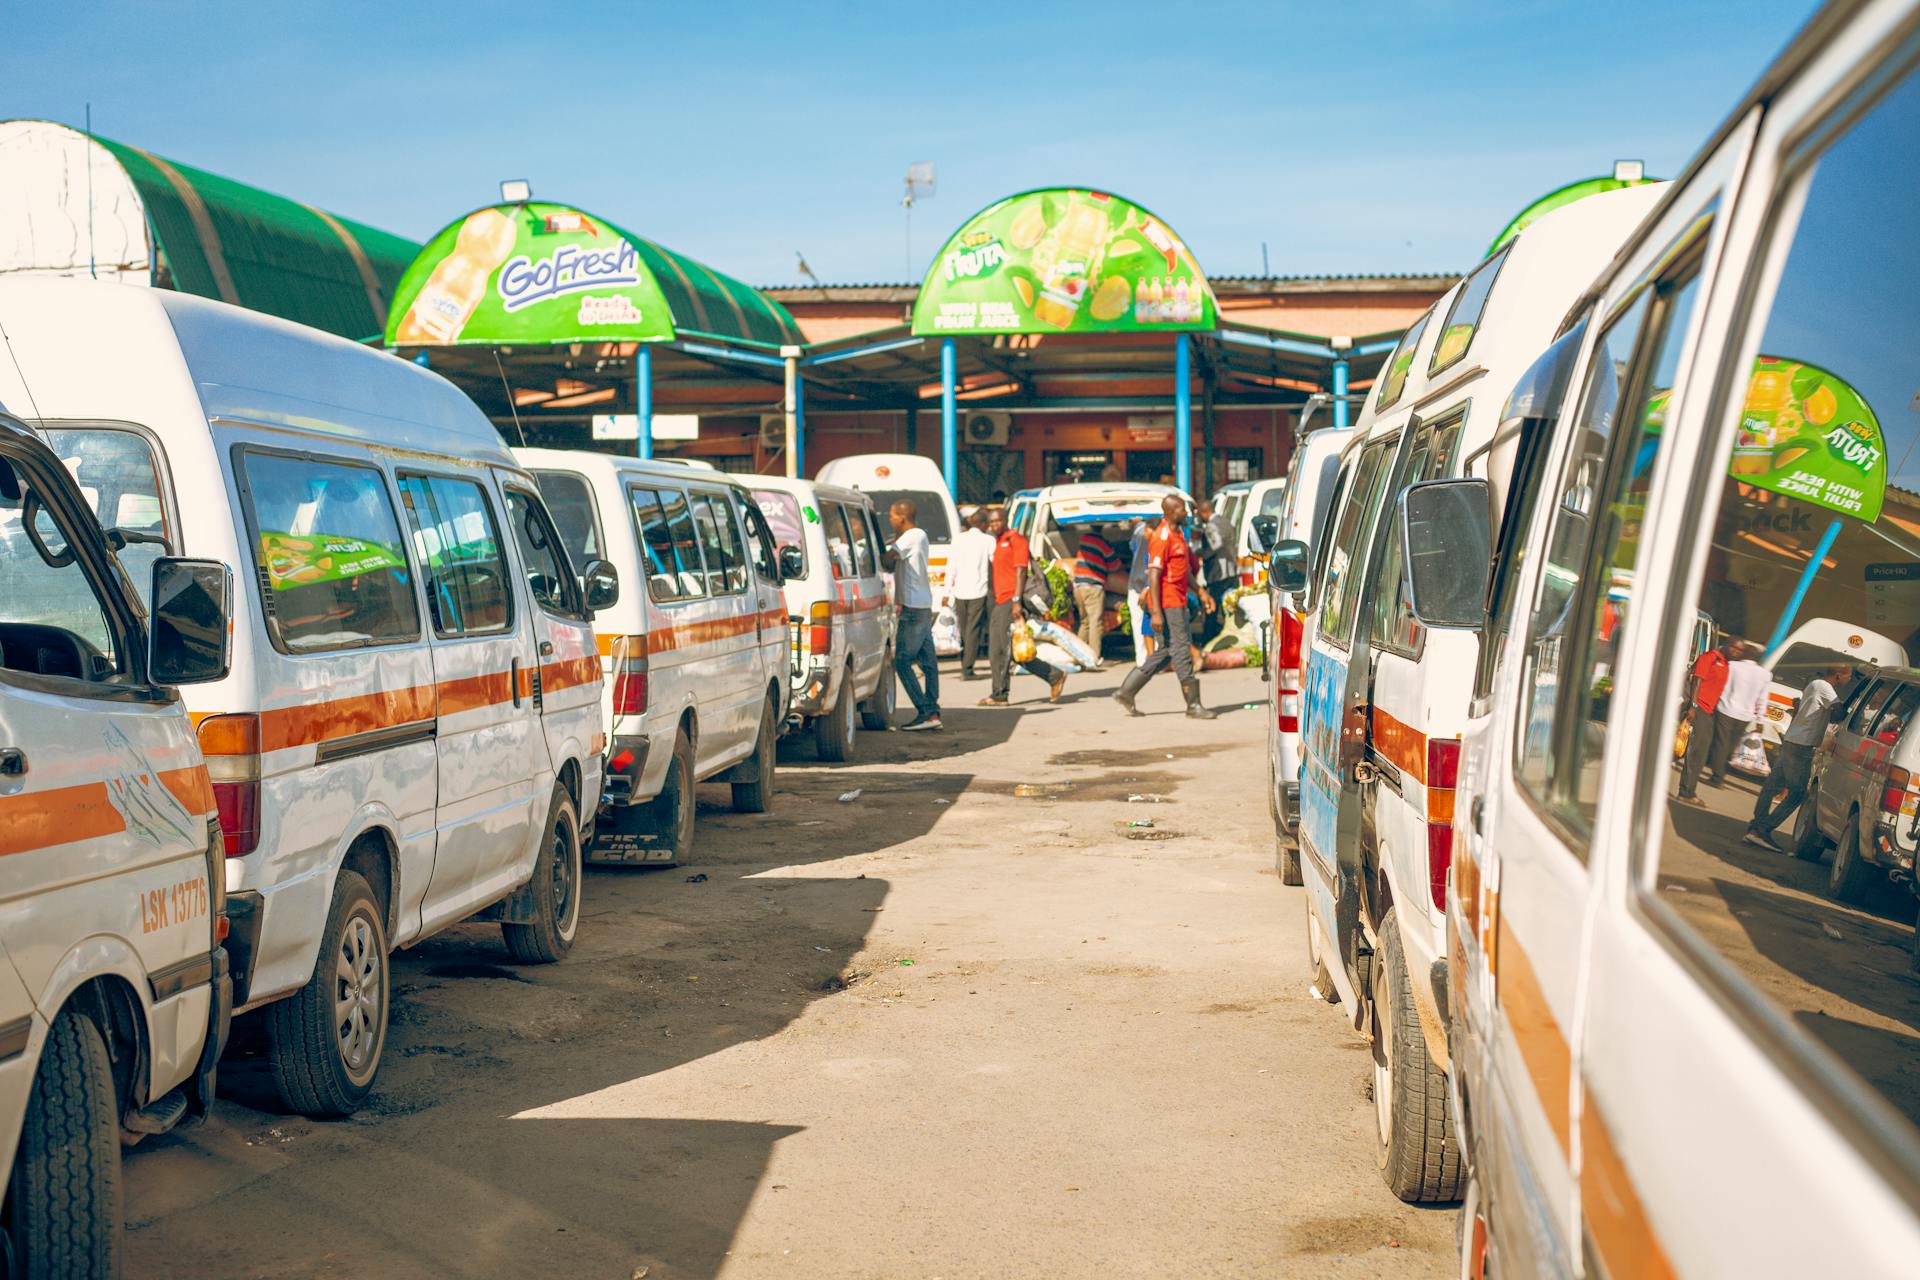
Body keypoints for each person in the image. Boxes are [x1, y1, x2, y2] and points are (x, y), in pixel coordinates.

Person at [1113, 494, 1216, 719]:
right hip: (1168, 604)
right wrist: (1157, 612)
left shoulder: (1178, 534)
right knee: (1181, 648)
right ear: (1169, 512)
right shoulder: (1161, 537)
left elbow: (1184, 570)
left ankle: (1126, 691)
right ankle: (1193, 705)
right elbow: (1153, 575)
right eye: (1180, 509)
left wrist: (1200, 591)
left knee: (1166, 651)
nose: (1185, 513)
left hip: (1178, 600)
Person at [1746, 663, 1850, 848]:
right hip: (1802, 745)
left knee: (1772, 786)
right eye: (1848, 676)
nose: (1848, 680)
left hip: (1792, 740)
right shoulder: (1825, 687)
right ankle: (1764, 829)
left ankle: (1756, 826)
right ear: (1839, 675)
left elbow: (1830, 716)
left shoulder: (1815, 684)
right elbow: (1839, 713)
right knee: (1798, 793)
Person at [980, 507, 1068, 707]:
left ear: (1006, 520)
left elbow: (1020, 571)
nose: (994, 525)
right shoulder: (998, 541)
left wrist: (1017, 601)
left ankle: (999, 695)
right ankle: (1054, 676)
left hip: (1011, 600)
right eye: (991, 522)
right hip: (1001, 600)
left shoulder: (1016, 540)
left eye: (997, 521)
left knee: (999, 649)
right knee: (1017, 651)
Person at [1678, 638, 1766, 803]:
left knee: (1700, 753)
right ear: (1726, 645)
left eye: (1740, 651)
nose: (1736, 652)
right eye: (1734, 647)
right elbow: (1697, 680)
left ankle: (1688, 790)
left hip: (1710, 711)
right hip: (1699, 709)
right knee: (1696, 753)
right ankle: (1686, 792)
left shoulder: (1727, 665)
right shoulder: (1710, 657)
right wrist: (1693, 706)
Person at [883, 500, 941, 731]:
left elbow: (887, 561)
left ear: (902, 518)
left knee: (903, 661)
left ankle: (925, 711)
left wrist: (884, 548)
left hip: (913, 607)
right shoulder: (919, 536)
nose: (890, 520)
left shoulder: (910, 536)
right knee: (929, 662)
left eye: (891, 516)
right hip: (922, 604)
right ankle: (932, 710)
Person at [949, 508, 994, 679]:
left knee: (964, 628)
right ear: (983, 524)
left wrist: (947, 589)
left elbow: (951, 566)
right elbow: (994, 562)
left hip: (960, 590)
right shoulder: (988, 540)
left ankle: (965, 661)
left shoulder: (958, 539)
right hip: (978, 590)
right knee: (973, 630)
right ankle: (967, 668)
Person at [1071, 523, 1123, 664]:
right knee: (1095, 622)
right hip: (1093, 587)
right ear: (1102, 529)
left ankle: (1077, 655)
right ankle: (1094, 656)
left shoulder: (1084, 539)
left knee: (1084, 622)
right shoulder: (1103, 544)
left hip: (1078, 586)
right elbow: (1115, 566)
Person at [1125, 518, 1154, 665]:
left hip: (1141, 584)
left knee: (1140, 623)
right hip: (1143, 584)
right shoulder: (1143, 532)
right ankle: (1149, 658)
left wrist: (1148, 587)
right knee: (1146, 623)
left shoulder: (1141, 531)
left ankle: (1143, 659)